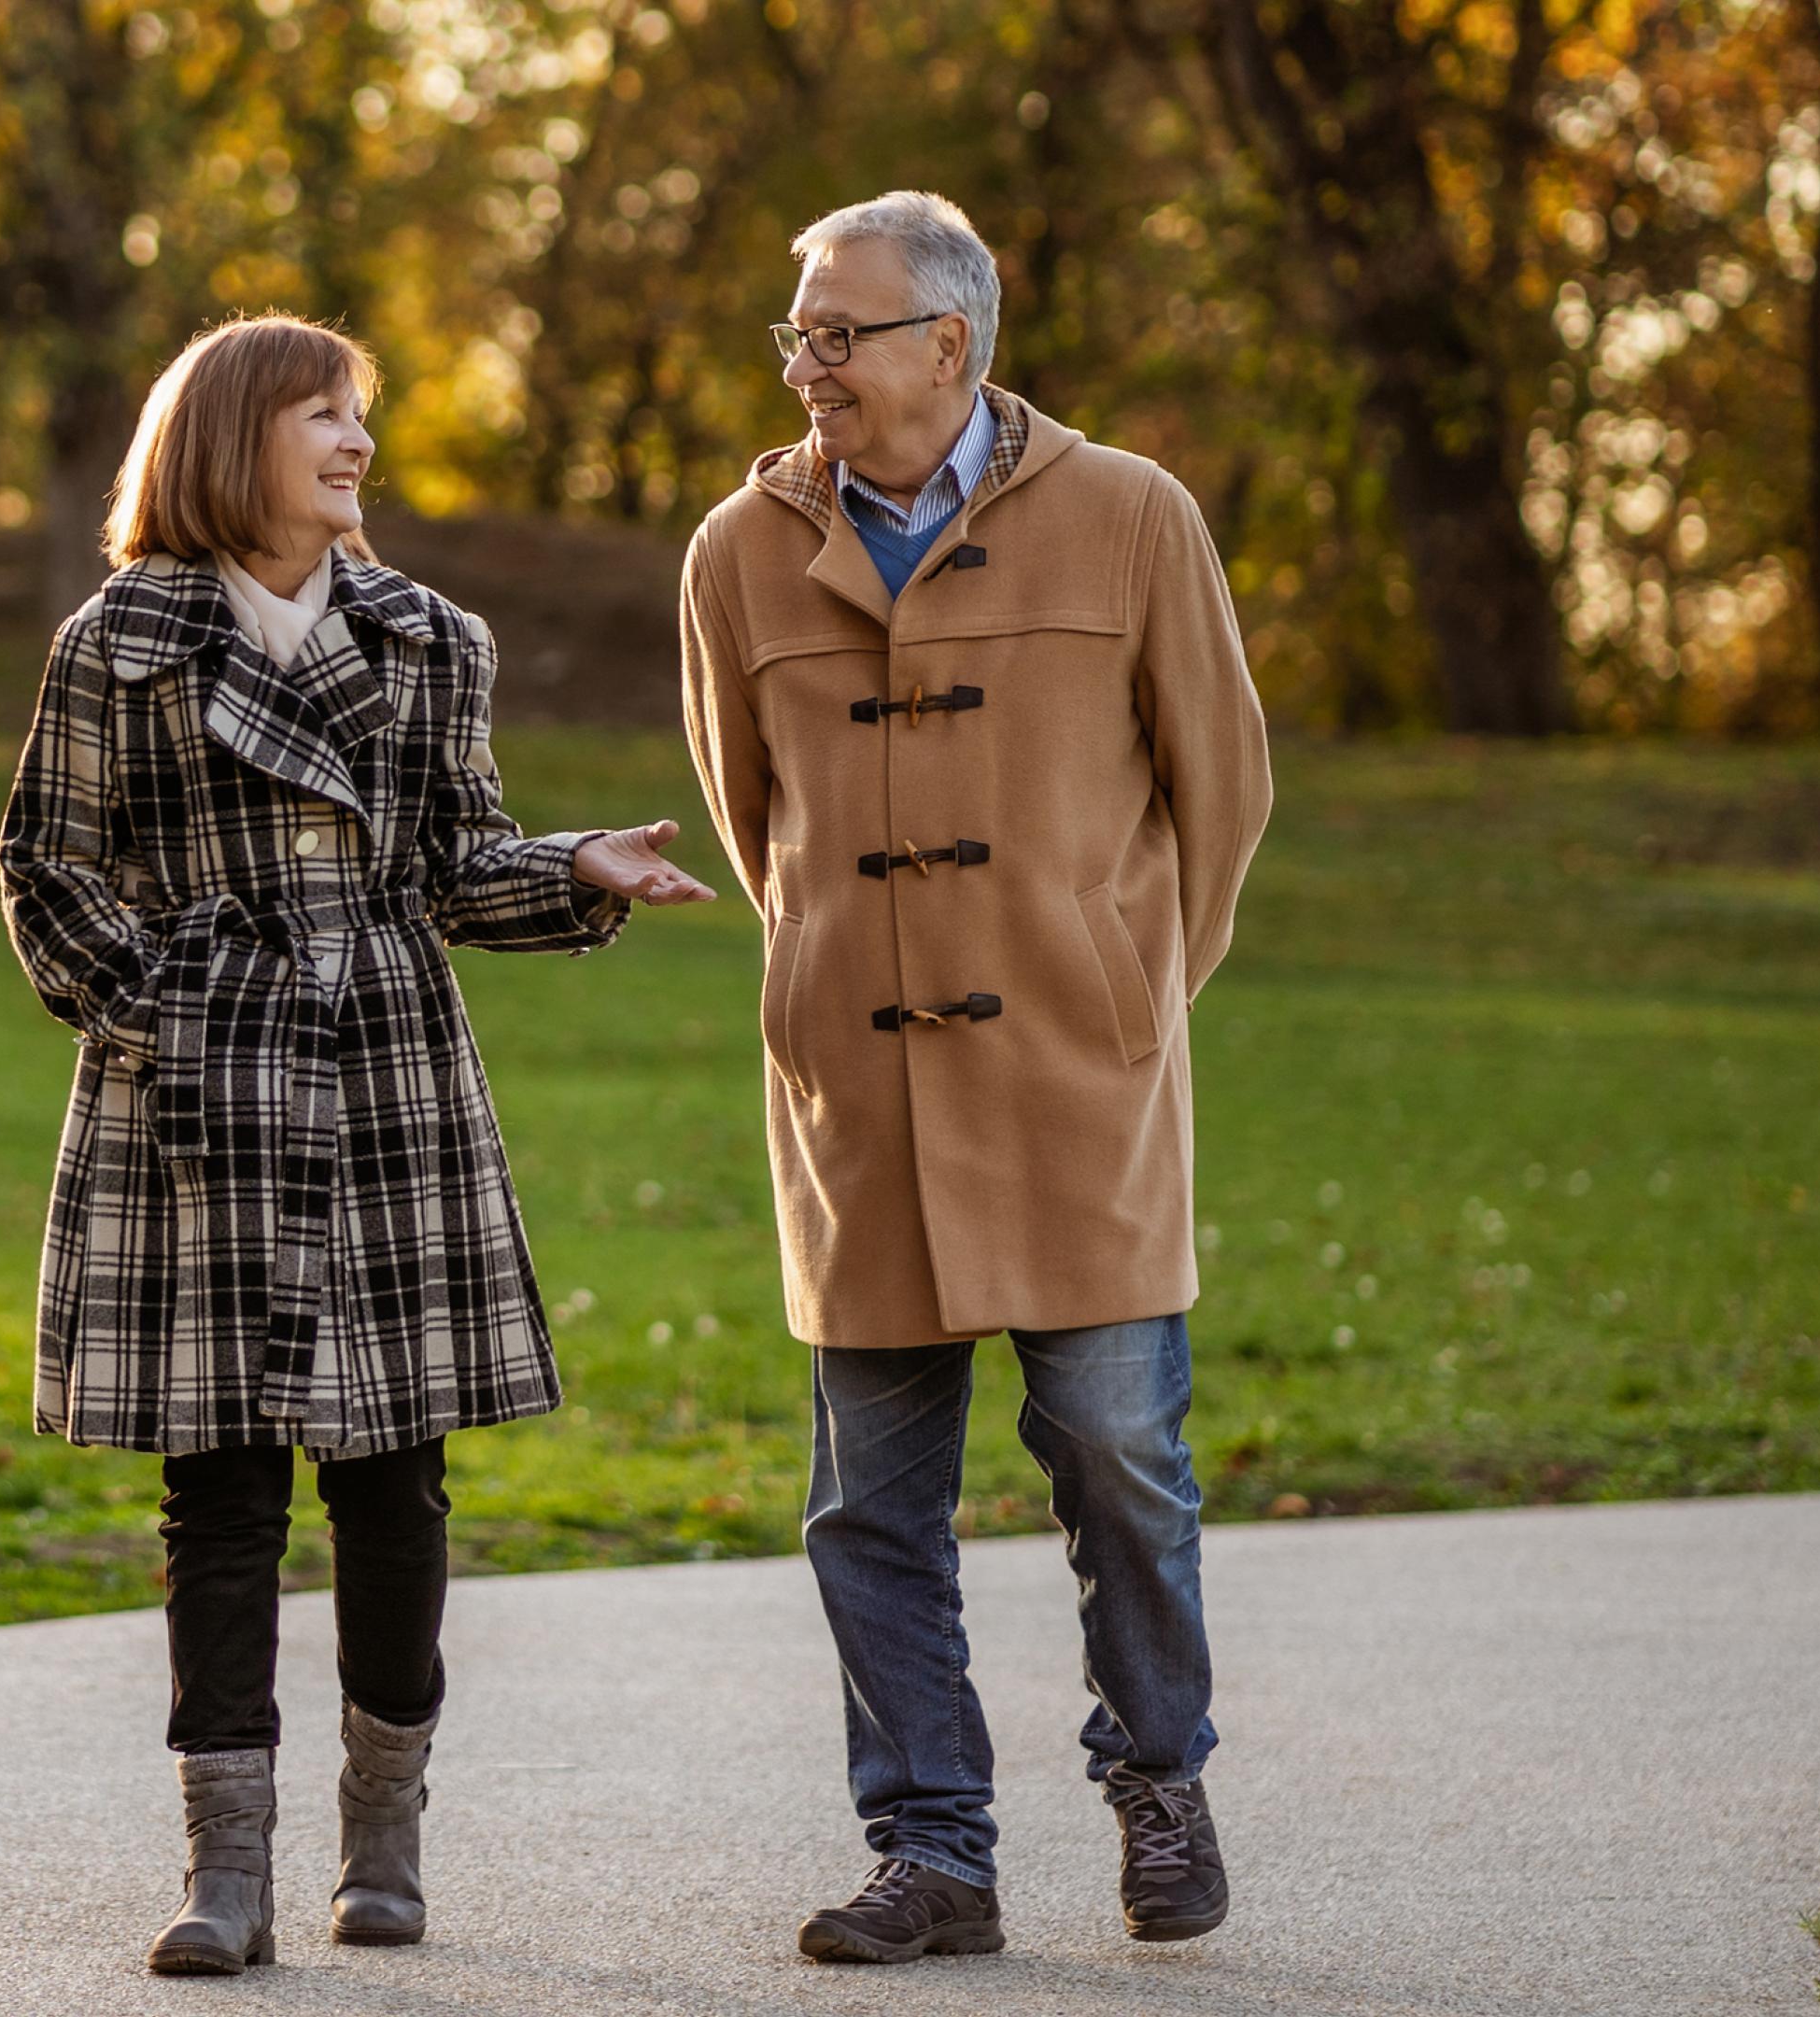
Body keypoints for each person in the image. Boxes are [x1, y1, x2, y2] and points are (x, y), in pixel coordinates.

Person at [0, 314, 715, 1975]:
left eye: (361, 414)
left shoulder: (426, 637)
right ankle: (224, 1875)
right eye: (320, 412)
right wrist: (175, 1006)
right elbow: (49, 872)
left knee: (397, 1479)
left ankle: (383, 1845)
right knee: (222, 1492)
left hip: (387, 1076)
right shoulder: (115, 644)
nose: (354, 442)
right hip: (200, 1098)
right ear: (229, 437)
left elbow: (457, 866)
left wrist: (576, 866)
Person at [675, 191, 1275, 1964]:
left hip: (1079, 1082)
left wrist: (1125, 989)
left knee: (1118, 1453)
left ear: (950, 342)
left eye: (835, 333)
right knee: (869, 1499)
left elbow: (1221, 792)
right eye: (798, 334)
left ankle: (1159, 1782)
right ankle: (932, 1851)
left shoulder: (1130, 516)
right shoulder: (738, 551)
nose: (806, 364)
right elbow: (751, 814)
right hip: (857, 1092)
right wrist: (821, 977)